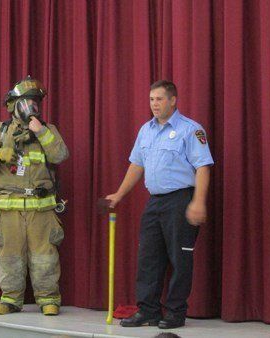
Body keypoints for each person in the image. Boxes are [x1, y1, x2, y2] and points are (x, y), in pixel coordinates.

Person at [105, 80, 213, 329]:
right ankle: (148, 310)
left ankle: (175, 312)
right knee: (148, 258)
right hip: (154, 202)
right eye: (152, 99)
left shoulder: (190, 130)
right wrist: (119, 194)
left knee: (179, 258)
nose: (154, 104)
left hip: (181, 199)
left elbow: (203, 167)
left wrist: (198, 201)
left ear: (173, 100)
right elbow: (137, 165)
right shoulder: (146, 130)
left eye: (160, 99)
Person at [0, 76, 69, 316]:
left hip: (41, 209)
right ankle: (10, 299)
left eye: (34, 102)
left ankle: (49, 299)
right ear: (13, 105)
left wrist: (42, 132)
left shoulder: (48, 130)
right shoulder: (1, 130)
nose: (31, 107)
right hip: (8, 209)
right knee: (9, 256)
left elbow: (60, 155)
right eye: (25, 102)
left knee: (45, 257)